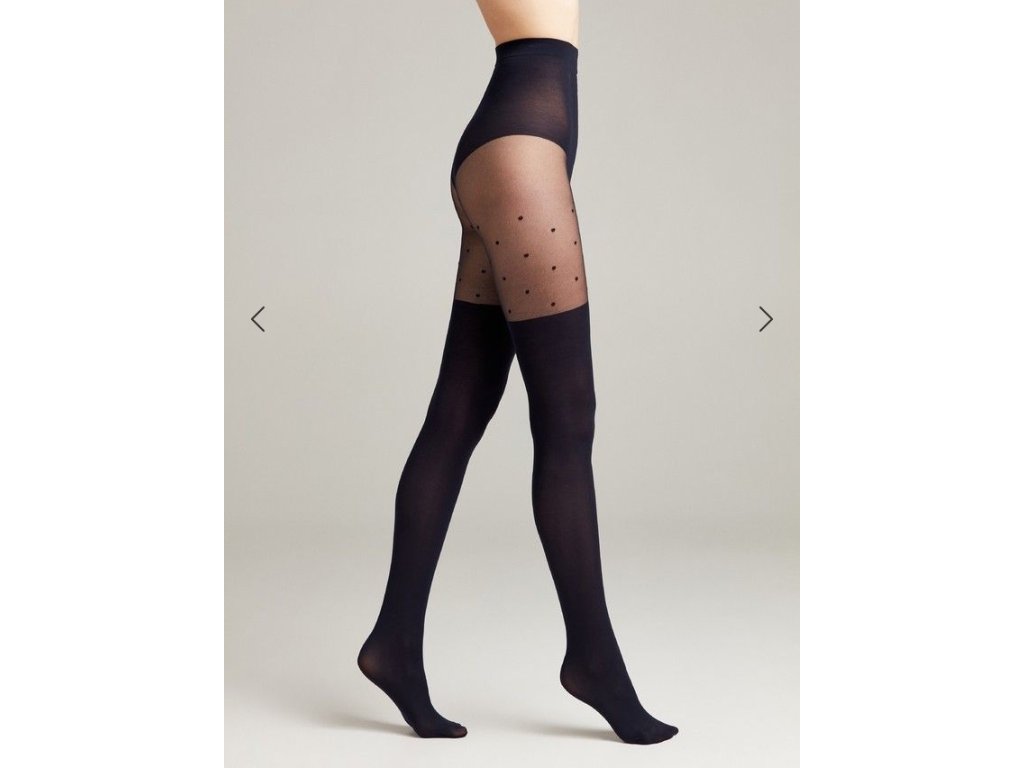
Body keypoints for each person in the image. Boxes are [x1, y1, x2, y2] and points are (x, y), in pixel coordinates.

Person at [357, 0, 679, 745]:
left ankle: (393, 644)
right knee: (567, 419)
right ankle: (593, 659)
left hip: (520, 147)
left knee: (458, 412)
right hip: (521, 157)